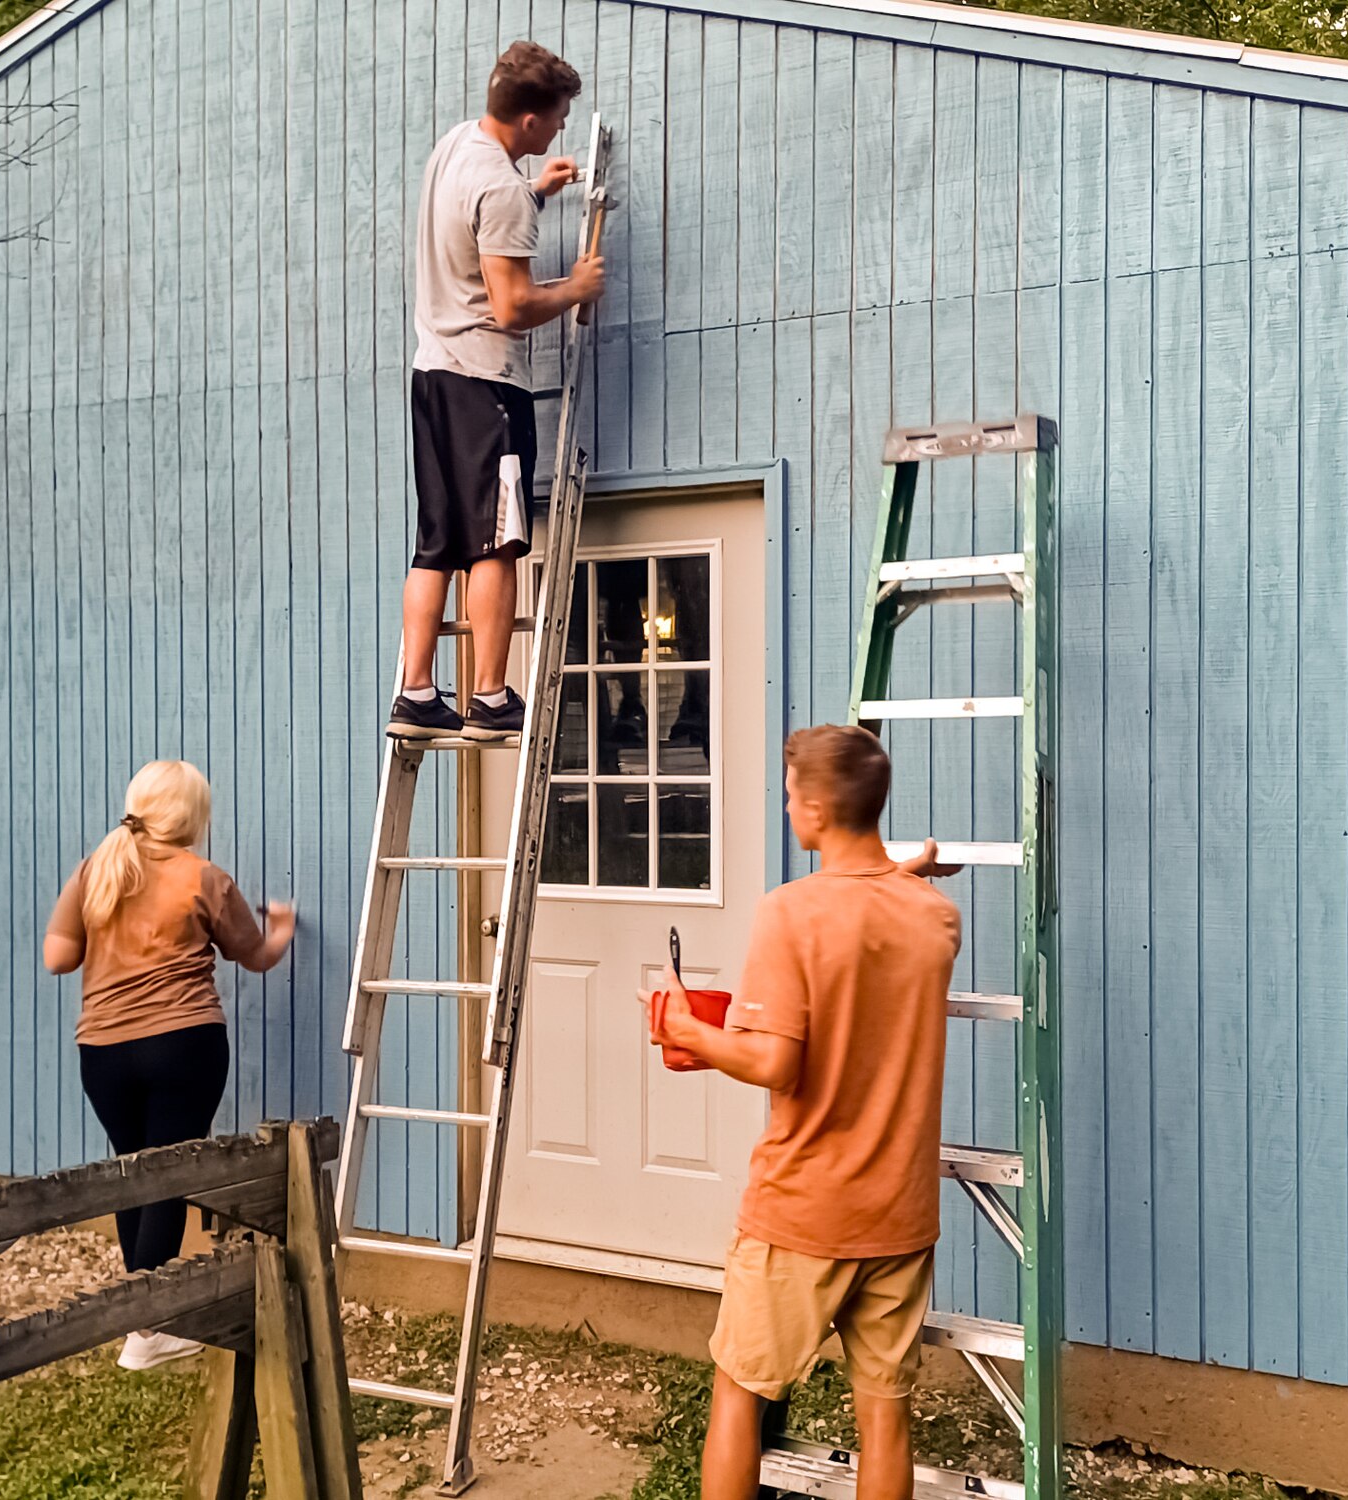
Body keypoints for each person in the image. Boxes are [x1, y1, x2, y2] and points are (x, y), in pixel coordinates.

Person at [643, 727, 962, 1500]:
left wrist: (690, 1032)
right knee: (884, 1416)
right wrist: (906, 872)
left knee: (738, 1394)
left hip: (805, 1212)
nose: (787, 807)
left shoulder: (790, 913)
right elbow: (876, 917)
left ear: (817, 809)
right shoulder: (935, 917)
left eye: (791, 796)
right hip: (900, 1214)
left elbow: (774, 1062)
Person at [388, 39, 608, 743]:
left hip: (433, 374)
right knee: (496, 542)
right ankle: (488, 696)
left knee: (436, 542)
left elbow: (476, 220)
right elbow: (512, 307)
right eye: (559, 116)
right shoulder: (503, 189)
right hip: (486, 386)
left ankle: (416, 693)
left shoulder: (457, 147)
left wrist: (536, 191)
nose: (562, 129)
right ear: (533, 122)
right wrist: (573, 286)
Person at [43, 760, 296, 1371]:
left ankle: (141, 1315)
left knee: (133, 1172)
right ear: (191, 817)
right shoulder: (203, 878)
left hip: (102, 1051)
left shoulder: (95, 870)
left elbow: (58, 960)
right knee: (171, 1173)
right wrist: (282, 928)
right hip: (183, 1043)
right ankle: (149, 1328)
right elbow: (253, 956)